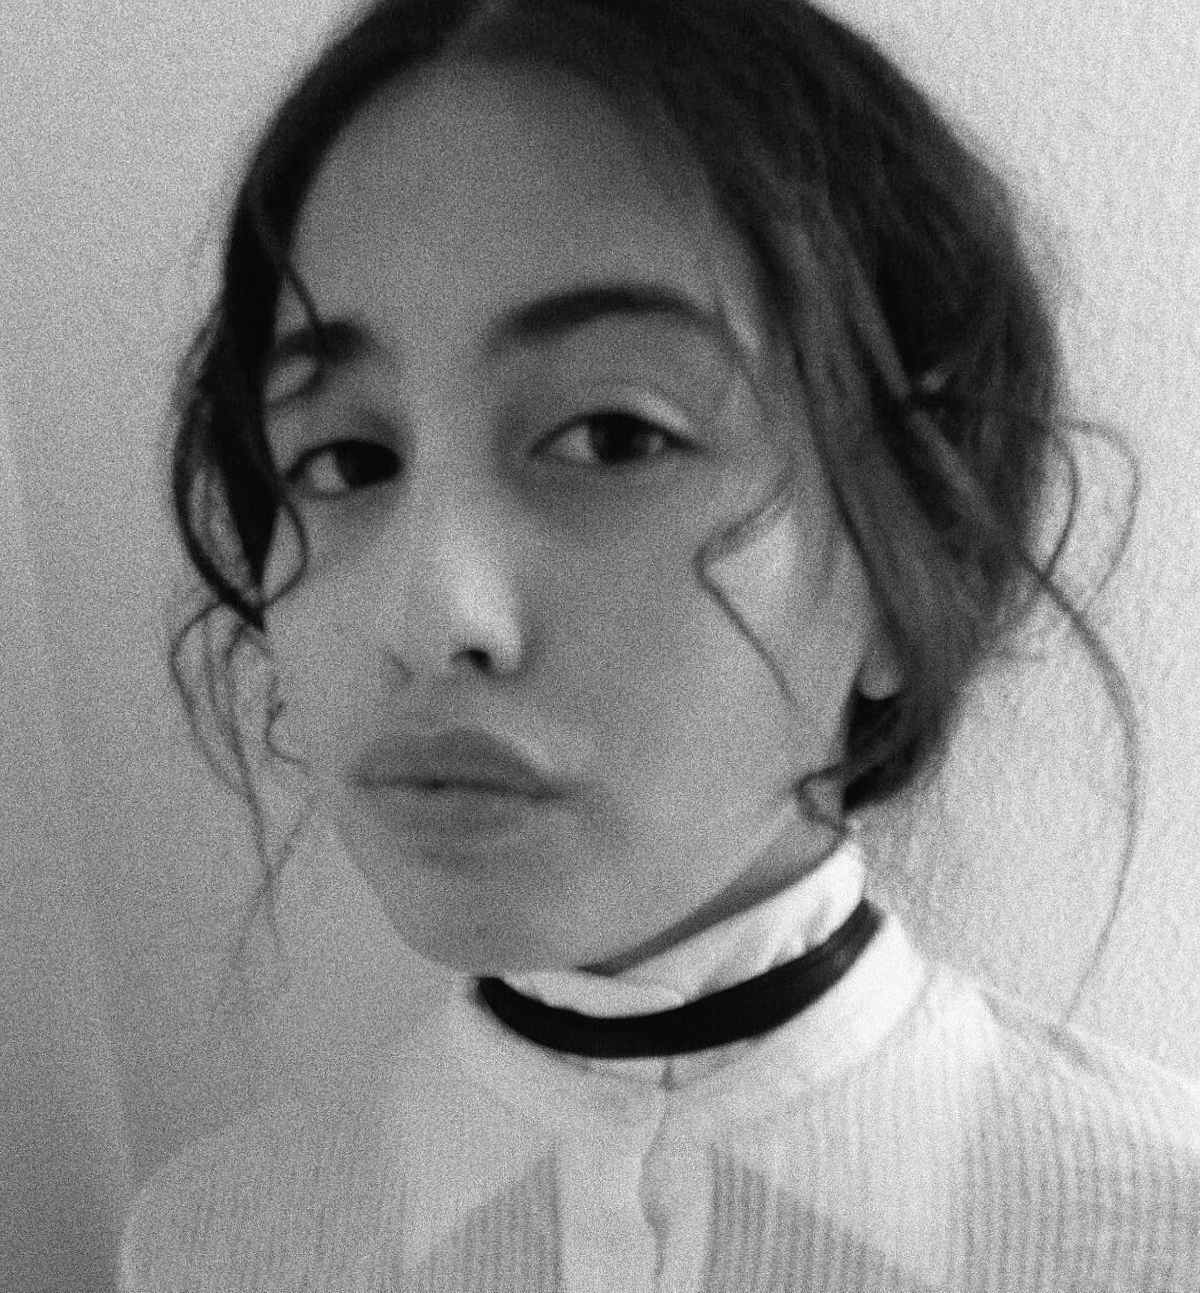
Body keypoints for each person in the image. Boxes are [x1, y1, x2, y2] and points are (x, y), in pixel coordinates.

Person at [120, 0, 1200, 1287]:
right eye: (346, 459)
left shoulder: (1154, 1232)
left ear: (911, 562)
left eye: (615, 436)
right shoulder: (209, 1248)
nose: (433, 618)